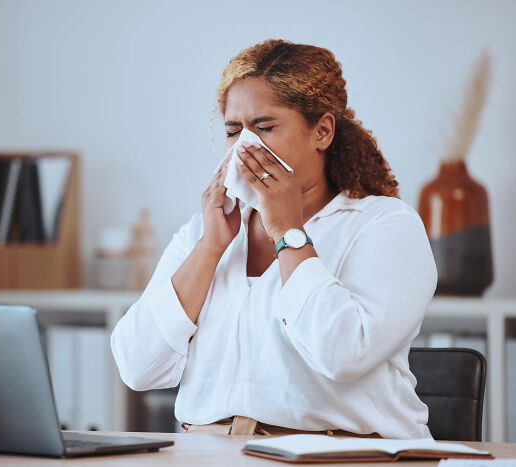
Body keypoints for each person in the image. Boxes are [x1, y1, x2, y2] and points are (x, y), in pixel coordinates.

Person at [110, 39, 437, 439]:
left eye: (265, 127)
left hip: (338, 458)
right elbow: (137, 367)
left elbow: (343, 353)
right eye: (234, 131)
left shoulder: (385, 225)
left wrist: (288, 232)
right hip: (207, 453)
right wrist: (211, 247)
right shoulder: (202, 232)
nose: (246, 145)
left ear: (322, 131)